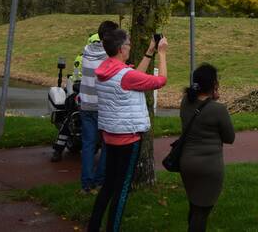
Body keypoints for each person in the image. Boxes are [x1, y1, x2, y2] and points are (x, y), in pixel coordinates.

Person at [87, 29, 168, 232]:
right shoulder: (125, 75)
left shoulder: (105, 70)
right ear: (121, 49)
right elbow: (161, 81)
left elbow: (134, 77)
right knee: (121, 190)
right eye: (129, 45)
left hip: (110, 137)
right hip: (128, 140)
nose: (130, 47)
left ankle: (93, 227)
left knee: (108, 186)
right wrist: (162, 54)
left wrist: (149, 52)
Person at [179, 64, 235, 232]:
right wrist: (214, 99)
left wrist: (212, 97)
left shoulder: (186, 102)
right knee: (201, 213)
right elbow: (230, 138)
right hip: (209, 167)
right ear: (214, 84)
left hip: (187, 163)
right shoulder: (218, 110)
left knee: (194, 206)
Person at [76, 20, 119, 191]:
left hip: (86, 105)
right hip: (103, 107)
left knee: (88, 145)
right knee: (107, 144)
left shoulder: (87, 50)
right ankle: (100, 181)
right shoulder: (109, 56)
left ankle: (86, 183)